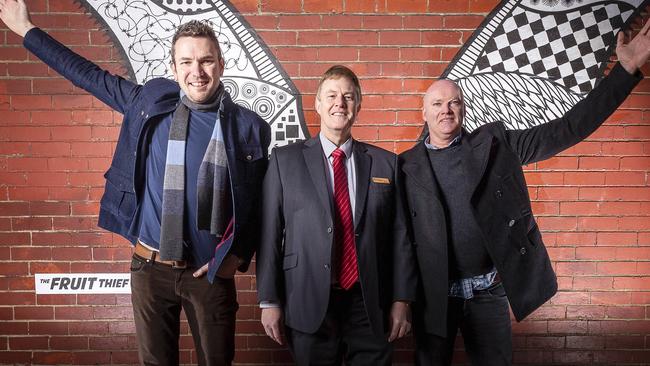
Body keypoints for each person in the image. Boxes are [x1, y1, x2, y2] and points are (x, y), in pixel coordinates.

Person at [0, 0, 271, 364]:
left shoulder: (249, 128)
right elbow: (89, 75)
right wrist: (27, 30)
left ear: (221, 65)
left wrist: (236, 256)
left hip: (208, 275)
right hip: (150, 269)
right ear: (173, 69)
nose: (198, 72)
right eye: (187, 62)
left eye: (206, 60)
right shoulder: (148, 103)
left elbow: (259, 205)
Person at [400, 21, 650, 366]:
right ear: (424, 112)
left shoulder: (495, 144)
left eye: (454, 103)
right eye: (438, 103)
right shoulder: (404, 167)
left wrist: (624, 71)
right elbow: (396, 239)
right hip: (433, 295)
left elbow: (567, 129)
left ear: (464, 109)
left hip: (488, 290)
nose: (447, 110)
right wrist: (400, 299)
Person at [256, 65, 417, 365]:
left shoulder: (386, 164)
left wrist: (402, 299)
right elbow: (269, 233)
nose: (339, 103)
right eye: (331, 95)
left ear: (358, 105)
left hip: (369, 302)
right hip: (306, 298)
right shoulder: (284, 161)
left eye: (348, 96)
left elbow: (401, 237)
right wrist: (269, 300)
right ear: (317, 104)